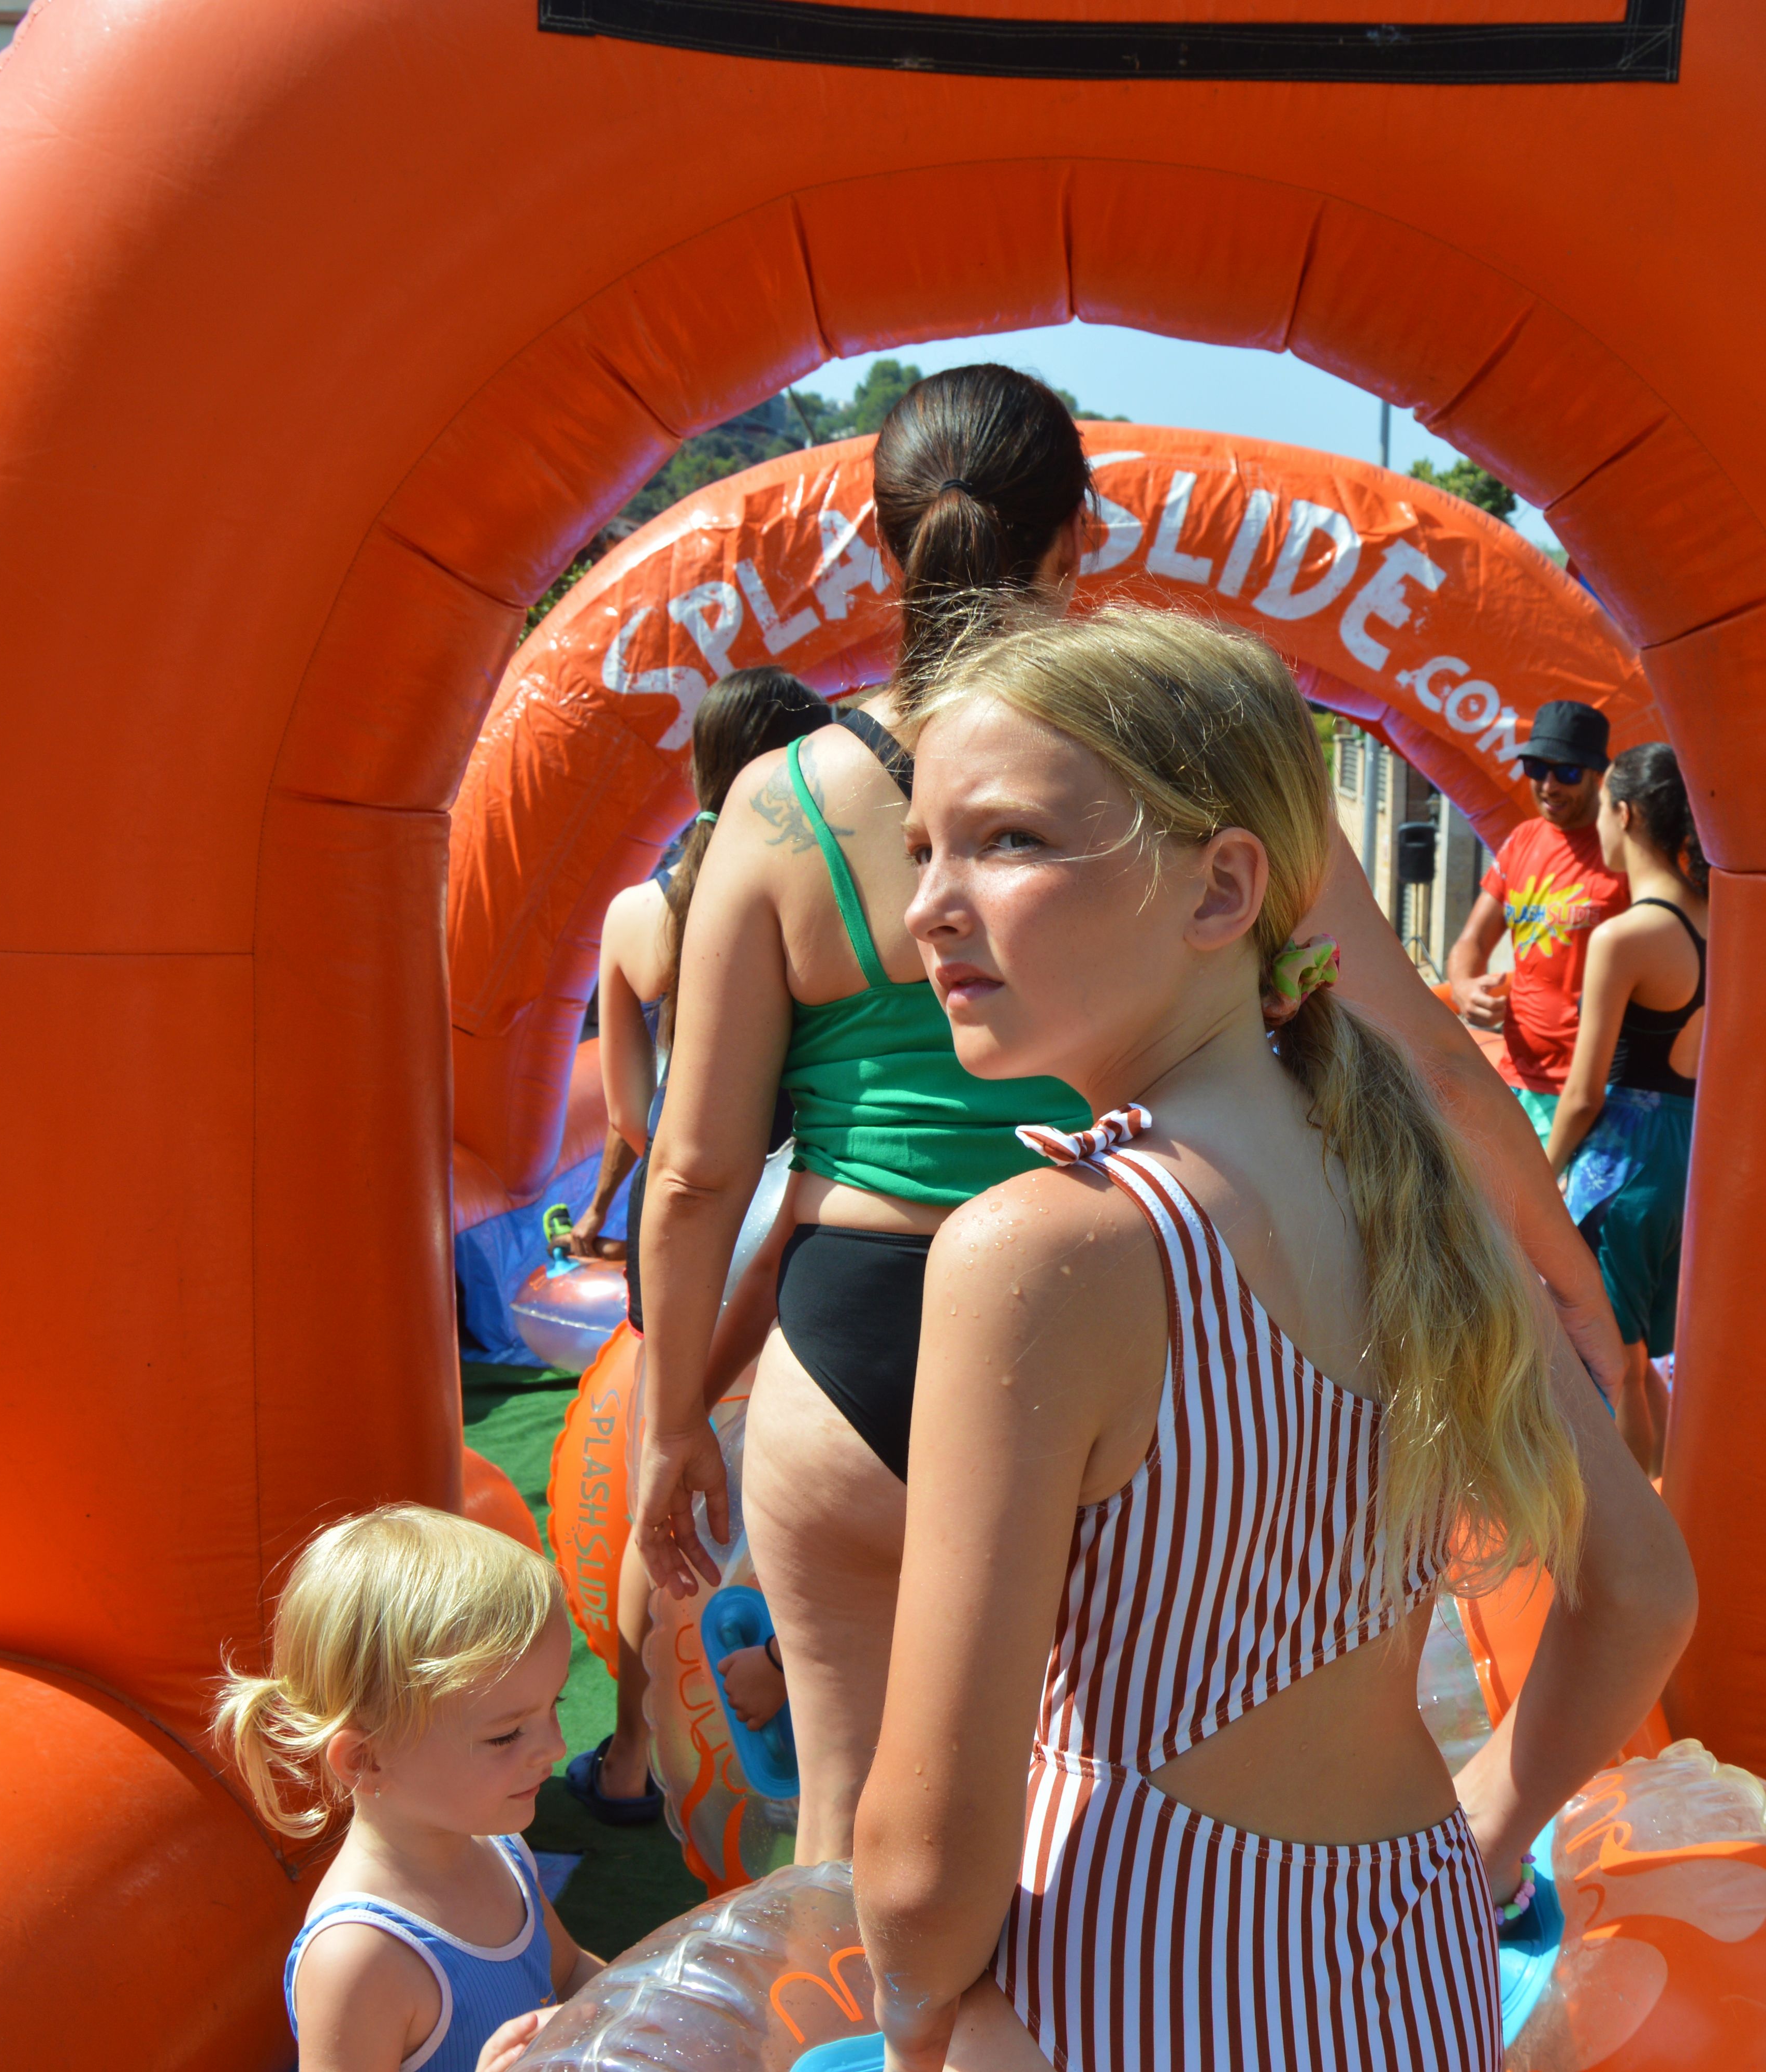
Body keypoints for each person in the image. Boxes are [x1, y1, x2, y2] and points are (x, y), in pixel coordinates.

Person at [636, 365, 1654, 1864]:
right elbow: (1429, 1060)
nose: (945, 909)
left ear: (884, 535)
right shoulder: (1178, 757)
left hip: (856, 1337)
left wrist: (669, 1425)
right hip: (1158, 1323)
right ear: (1081, 534)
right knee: (1167, 1804)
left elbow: (699, 1167)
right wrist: (1569, 1283)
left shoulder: (787, 802)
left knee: (856, 1841)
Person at [855, 608, 1694, 2071]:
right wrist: (1487, 1829)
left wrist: (925, 2023)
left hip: (1116, 1979)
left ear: (1222, 886)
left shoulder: (1046, 1255)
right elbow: (1642, 1590)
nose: (928, 905)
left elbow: (927, 1859)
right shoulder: (1429, 1205)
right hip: (1410, 1959)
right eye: (921, 847)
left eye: (1004, 843)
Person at [560, 665, 827, 1827]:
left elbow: (634, 1117)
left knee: (661, 1503)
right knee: (813, 1487)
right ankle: (801, 1739)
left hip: (686, 1232)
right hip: (800, 1217)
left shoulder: (638, 913)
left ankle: (627, 1757)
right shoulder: (822, 882)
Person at [214, 1504, 602, 2072]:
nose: (554, 1747)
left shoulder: (501, 1850)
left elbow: (567, 1972)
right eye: (506, 1735)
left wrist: (636, 2002)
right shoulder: (360, 1958)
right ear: (368, 1760)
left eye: (555, 1705)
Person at [1540, 742, 1708, 1476]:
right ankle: (1677, 1506)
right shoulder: (1724, 921)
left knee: (1615, 1365)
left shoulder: (1626, 937)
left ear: (1626, 812)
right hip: (1691, 1154)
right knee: (1643, 1361)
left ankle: (1638, 1529)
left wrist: (1541, 1173)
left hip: (1625, 1164)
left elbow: (1582, 1095)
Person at [1445, 701, 1628, 1142]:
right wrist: (1465, 987)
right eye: (1536, 767)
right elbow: (1472, 940)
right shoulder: (1522, 840)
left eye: (1566, 773)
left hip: (1595, 1089)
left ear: (1595, 775)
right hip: (1518, 1076)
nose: (1548, 785)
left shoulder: (1624, 852)